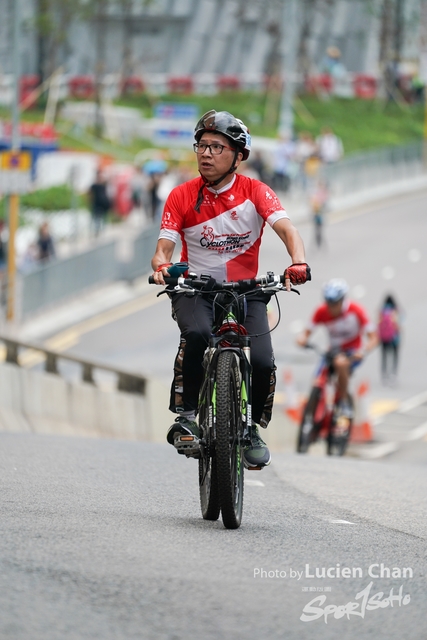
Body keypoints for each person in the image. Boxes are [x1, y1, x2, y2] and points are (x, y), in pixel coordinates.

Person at [150, 109, 311, 468]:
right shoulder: (181, 196)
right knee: (196, 334)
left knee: (264, 359)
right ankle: (187, 416)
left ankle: (252, 428)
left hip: (246, 291)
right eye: (201, 146)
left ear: (238, 156)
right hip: (196, 290)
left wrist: (297, 262)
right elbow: (163, 250)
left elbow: (288, 230)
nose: (205, 154)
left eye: (216, 147)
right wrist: (163, 268)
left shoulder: (256, 191)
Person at [297, 279, 378, 415]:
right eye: (328, 303)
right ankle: (315, 406)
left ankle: (344, 401)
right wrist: (302, 339)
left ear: (342, 300)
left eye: (334, 303)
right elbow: (306, 332)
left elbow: (374, 337)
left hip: (353, 352)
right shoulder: (321, 311)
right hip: (333, 350)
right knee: (317, 378)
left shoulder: (356, 310)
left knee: (340, 364)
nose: (331, 308)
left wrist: (363, 351)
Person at [378, 294, 401, 384]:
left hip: (384, 338)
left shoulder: (382, 310)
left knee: (384, 357)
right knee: (395, 356)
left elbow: (378, 322)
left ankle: (384, 375)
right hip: (394, 338)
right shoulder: (395, 309)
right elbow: (400, 321)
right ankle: (393, 374)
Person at [88, 169, 111, 236]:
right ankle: (97, 231)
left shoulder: (104, 184)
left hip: (103, 203)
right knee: (97, 218)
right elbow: (90, 194)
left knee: (103, 218)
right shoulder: (94, 185)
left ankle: (102, 231)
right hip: (97, 204)